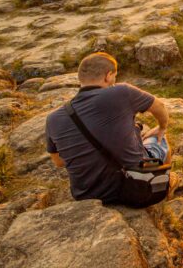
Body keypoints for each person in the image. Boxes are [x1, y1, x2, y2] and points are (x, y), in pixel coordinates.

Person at [45, 52, 175, 204]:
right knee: (159, 140)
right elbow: (159, 106)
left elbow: (59, 162)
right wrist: (161, 127)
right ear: (108, 75)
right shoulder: (121, 92)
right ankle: (163, 187)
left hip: (86, 195)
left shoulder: (53, 119)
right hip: (134, 190)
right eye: (114, 76)